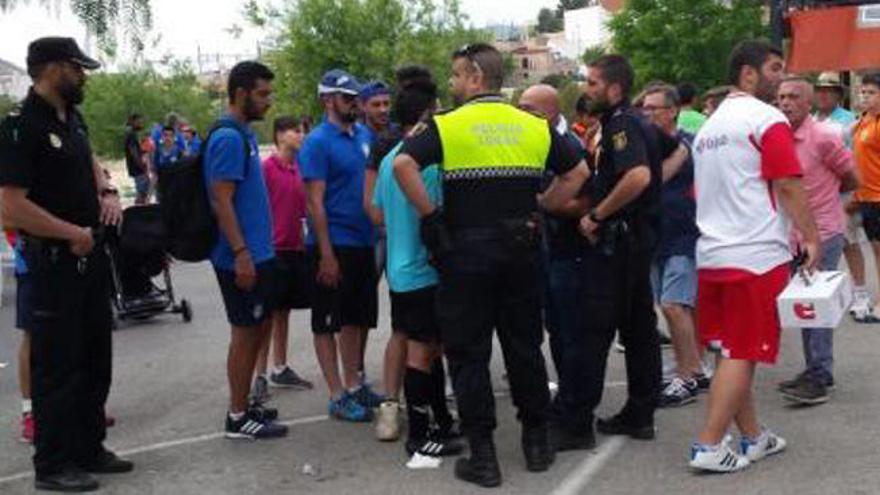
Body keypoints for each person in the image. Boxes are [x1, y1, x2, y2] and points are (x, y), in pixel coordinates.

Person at [394, 43, 590, 488]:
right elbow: (578, 173)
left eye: (458, 75)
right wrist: (543, 204)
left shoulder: (447, 125)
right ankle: (536, 443)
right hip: (521, 249)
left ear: (476, 78)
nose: (453, 83)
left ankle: (483, 455)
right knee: (524, 347)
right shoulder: (531, 125)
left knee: (469, 355)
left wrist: (430, 216)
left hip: (465, 254)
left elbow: (403, 165)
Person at [0, 37, 130, 492]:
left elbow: (90, 161)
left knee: (95, 356)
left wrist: (107, 192)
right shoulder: (19, 128)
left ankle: (87, 446)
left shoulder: (72, 119)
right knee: (56, 366)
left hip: (89, 258)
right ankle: (52, 465)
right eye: (78, 68)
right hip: (53, 262)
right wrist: (70, 232)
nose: (84, 76)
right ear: (54, 69)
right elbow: (10, 208)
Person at [689, 40, 820, 473]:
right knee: (743, 350)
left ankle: (753, 436)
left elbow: (702, 193)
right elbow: (787, 182)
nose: (782, 77)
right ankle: (709, 444)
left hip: (712, 253)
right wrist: (812, 237)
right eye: (775, 68)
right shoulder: (767, 119)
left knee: (732, 349)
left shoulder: (707, 129)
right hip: (755, 254)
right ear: (749, 74)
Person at [555, 54, 664, 448]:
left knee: (592, 331)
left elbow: (638, 176)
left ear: (615, 89)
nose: (587, 90)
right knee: (638, 330)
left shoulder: (621, 125)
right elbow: (672, 151)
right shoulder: (636, 122)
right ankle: (640, 413)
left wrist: (597, 215)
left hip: (618, 244)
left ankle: (575, 423)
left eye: (593, 84)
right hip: (637, 240)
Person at [369, 65, 463, 466]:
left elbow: (376, 210)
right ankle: (421, 436)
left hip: (400, 269)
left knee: (427, 347)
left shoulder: (391, 156)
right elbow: (440, 211)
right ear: (426, 117)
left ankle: (439, 421)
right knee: (421, 353)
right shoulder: (425, 162)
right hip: (423, 270)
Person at [203, 60, 287, 440]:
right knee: (244, 331)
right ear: (241, 93)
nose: (269, 101)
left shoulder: (244, 135)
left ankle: (245, 405)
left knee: (258, 327)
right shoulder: (227, 139)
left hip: (257, 253)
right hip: (240, 257)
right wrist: (241, 253)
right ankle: (237, 417)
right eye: (263, 93)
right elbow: (221, 201)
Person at [300, 69, 382, 422]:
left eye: (355, 98)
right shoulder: (317, 142)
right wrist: (327, 253)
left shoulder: (364, 134)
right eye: (347, 98)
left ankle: (354, 382)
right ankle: (336, 394)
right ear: (328, 100)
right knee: (327, 321)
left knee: (357, 318)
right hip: (334, 243)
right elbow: (314, 202)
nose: (354, 104)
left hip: (364, 240)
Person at [776, 77, 857, 405]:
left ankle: (820, 375)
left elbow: (852, 177)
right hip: (790, 235)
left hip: (823, 232)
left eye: (793, 96)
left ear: (808, 102)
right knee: (802, 305)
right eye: (781, 96)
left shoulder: (824, 136)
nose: (785, 102)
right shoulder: (776, 136)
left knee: (816, 305)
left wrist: (827, 202)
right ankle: (813, 368)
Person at [516, 83, 589, 443]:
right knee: (557, 331)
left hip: (568, 251)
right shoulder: (537, 141)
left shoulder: (569, 146)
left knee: (570, 334)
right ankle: (568, 402)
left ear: (548, 112)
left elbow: (585, 199)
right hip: (547, 251)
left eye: (527, 108)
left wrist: (542, 204)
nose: (520, 113)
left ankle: (575, 414)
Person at [641, 84, 709, 407]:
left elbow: (656, 181)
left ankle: (687, 376)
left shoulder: (691, 145)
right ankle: (695, 366)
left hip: (684, 235)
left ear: (673, 111)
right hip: (655, 238)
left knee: (674, 304)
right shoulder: (645, 145)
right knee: (675, 307)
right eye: (645, 108)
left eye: (655, 108)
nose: (649, 113)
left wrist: (681, 152)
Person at [250, 115, 314, 403]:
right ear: (279, 135)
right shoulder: (266, 169)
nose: (301, 135)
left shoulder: (301, 168)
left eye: (302, 131)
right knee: (265, 316)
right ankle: (259, 375)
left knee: (283, 311)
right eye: (295, 131)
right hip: (272, 249)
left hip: (296, 249)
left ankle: (280, 366)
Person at [816, 72, 878, 322]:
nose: (823, 94)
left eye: (871, 92)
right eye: (820, 90)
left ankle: (869, 296)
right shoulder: (860, 121)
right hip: (840, 193)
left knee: (862, 245)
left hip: (859, 192)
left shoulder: (854, 119)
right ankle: (849, 293)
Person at [853, 73, 880, 321]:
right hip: (866, 197)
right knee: (875, 250)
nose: (865, 96)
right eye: (863, 92)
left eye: (871, 92)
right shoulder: (863, 121)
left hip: (878, 197)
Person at [124, 113, 150, 205]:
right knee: (142, 192)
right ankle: (139, 210)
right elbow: (133, 152)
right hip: (137, 168)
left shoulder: (130, 133)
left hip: (136, 167)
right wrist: (142, 165)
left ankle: (140, 208)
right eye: (139, 121)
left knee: (142, 191)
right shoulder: (130, 134)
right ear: (133, 121)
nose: (141, 123)